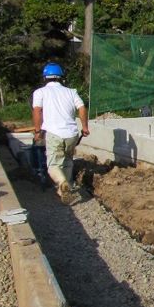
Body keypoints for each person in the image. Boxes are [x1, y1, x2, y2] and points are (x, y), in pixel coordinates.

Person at [31, 63, 89, 203]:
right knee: (68, 160)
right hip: (71, 134)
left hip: (53, 133)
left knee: (53, 165)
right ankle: (65, 188)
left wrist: (37, 130)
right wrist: (85, 127)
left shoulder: (40, 92)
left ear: (45, 78)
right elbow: (82, 108)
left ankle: (62, 182)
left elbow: (37, 111)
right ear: (61, 77)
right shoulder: (71, 92)